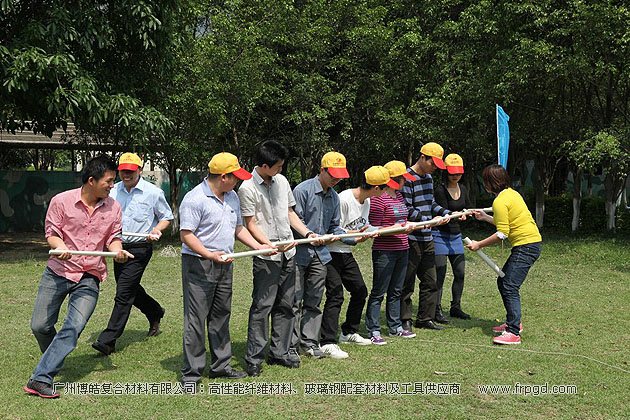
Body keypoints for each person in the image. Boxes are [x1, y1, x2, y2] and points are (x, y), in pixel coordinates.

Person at [24, 155, 133, 399]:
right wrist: (60, 245)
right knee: (40, 325)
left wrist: (117, 252)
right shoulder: (61, 201)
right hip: (58, 272)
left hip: (89, 275)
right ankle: (53, 357)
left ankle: (40, 378)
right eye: (109, 181)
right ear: (91, 181)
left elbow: (114, 237)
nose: (112, 185)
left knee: (73, 327)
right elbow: (51, 232)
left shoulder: (113, 207)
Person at [179, 152, 274, 389]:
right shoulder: (194, 199)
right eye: (235, 177)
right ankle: (192, 374)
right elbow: (186, 234)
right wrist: (209, 254)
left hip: (226, 263)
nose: (238, 182)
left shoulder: (231, 196)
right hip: (199, 264)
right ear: (223, 177)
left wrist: (259, 247)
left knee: (221, 316)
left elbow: (238, 228)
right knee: (196, 319)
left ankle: (221, 366)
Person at [237, 141, 311, 377]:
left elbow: (290, 213)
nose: (281, 169)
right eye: (278, 166)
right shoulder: (246, 188)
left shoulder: (282, 181)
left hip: (289, 252)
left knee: (286, 304)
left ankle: (280, 352)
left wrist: (307, 233)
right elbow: (250, 222)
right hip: (266, 257)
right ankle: (254, 358)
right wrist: (265, 245)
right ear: (265, 165)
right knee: (262, 306)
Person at [92, 153, 173, 356]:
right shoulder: (111, 191)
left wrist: (157, 230)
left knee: (124, 293)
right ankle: (154, 311)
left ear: (139, 169)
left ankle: (108, 339)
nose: (126, 174)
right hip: (116, 246)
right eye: (123, 171)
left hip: (139, 248)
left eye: (130, 170)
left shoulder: (152, 192)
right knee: (129, 289)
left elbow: (166, 217)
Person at [320, 166, 395, 357]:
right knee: (336, 295)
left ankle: (349, 332)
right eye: (385, 188)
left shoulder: (367, 201)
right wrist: (356, 238)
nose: (387, 192)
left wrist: (392, 228)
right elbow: (335, 230)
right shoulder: (344, 199)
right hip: (331, 253)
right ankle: (327, 341)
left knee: (360, 290)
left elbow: (363, 227)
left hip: (345, 253)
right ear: (377, 188)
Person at [466, 164, 542, 345]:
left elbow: (502, 234)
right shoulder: (512, 194)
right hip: (530, 244)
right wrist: (485, 217)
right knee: (504, 281)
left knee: (509, 285)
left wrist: (478, 244)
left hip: (526, 246)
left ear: (490, 183)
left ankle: (514, 332)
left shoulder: (499, 201)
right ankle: (512, 322)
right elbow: (506, 224)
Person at [291, 151, 349, 359]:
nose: (336, 178)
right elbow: (293, 220)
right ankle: (290, 345)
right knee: (294, 300)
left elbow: (335, 226)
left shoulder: (334, 196)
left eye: (340, 175)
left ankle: (309, 343)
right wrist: (309, 235)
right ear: (322, 170)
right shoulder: (302, 190)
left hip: (321, 256)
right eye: (332, 174)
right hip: (299, 253)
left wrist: (352, 236)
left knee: (314, 300)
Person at [365, 161, 417, 344]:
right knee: (379, 291)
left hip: (403, 248)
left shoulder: (399, 196)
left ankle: (395, 327)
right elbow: (374, 227)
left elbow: (403, 219)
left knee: (396, 290)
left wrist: (406, 228)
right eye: (403, 178)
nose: (406, 182)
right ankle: (373, 329)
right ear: (395, 179)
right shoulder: (378, 199)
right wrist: (397, 228)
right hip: (384, 251)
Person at [401, 142, 451, 332]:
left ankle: (425, 318)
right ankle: (404, 318)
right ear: (422, 157)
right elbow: (406, 209)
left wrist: (446, 213)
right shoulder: (406, 178)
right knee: (407, 281)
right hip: (411, 238)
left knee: (431, 280)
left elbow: (430, 203)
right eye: (433, 163)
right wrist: (429, 220)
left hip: (427, 237)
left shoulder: (428, 178)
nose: (434, 168)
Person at [433, 154, 472, 321]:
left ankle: (456, 306)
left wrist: (466, 214)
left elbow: (469, 208)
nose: (455, 176)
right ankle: (436, 308)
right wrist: (454, 214)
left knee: (460, 272)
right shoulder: (440, 190)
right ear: (445, 173)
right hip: (440, 234)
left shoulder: (463, 189)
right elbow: (443, 211)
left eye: (458, 173)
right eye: (451, 173)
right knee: (439, 274)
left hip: (456, 235)